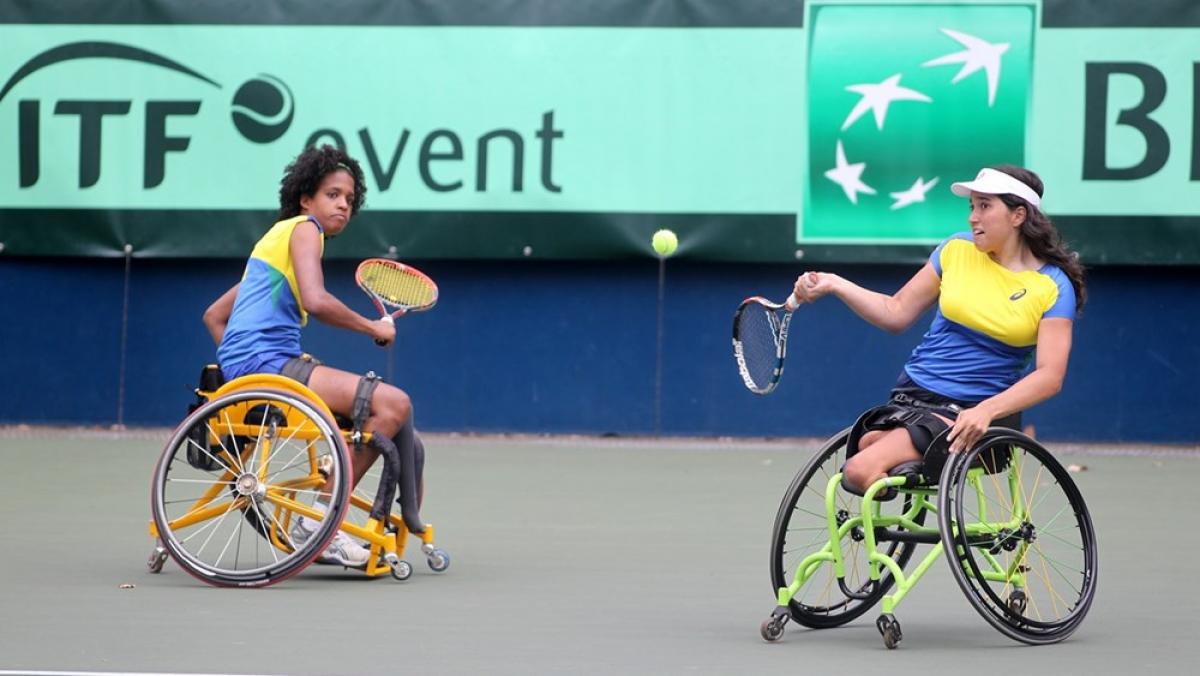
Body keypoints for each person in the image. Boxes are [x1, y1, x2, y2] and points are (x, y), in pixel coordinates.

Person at [794, 165, 1085, 495]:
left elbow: (1050, 376)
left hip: (972, 411)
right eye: (972, 206)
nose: (973, 217)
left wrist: (986, 410)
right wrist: (835, 284)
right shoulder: (955, 250)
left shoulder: (1053, 286)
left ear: (1018, 215)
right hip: (913, 394)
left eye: (985, 206)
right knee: (871, 442)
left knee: (860, 470)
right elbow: (895, 313)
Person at [202, 144, 425, 567]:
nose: (343, 205)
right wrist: (372, 327)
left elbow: (215, 316)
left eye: (349, 199)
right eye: (332, 195)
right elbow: (316, 300)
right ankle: (321, 518)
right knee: (395, 404)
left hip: (258, 365)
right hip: (267, 364)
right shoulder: (305, 229)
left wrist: (241, 375)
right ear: (306, 199)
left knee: (398, 426)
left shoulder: (271, 246)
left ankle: (376, 510)